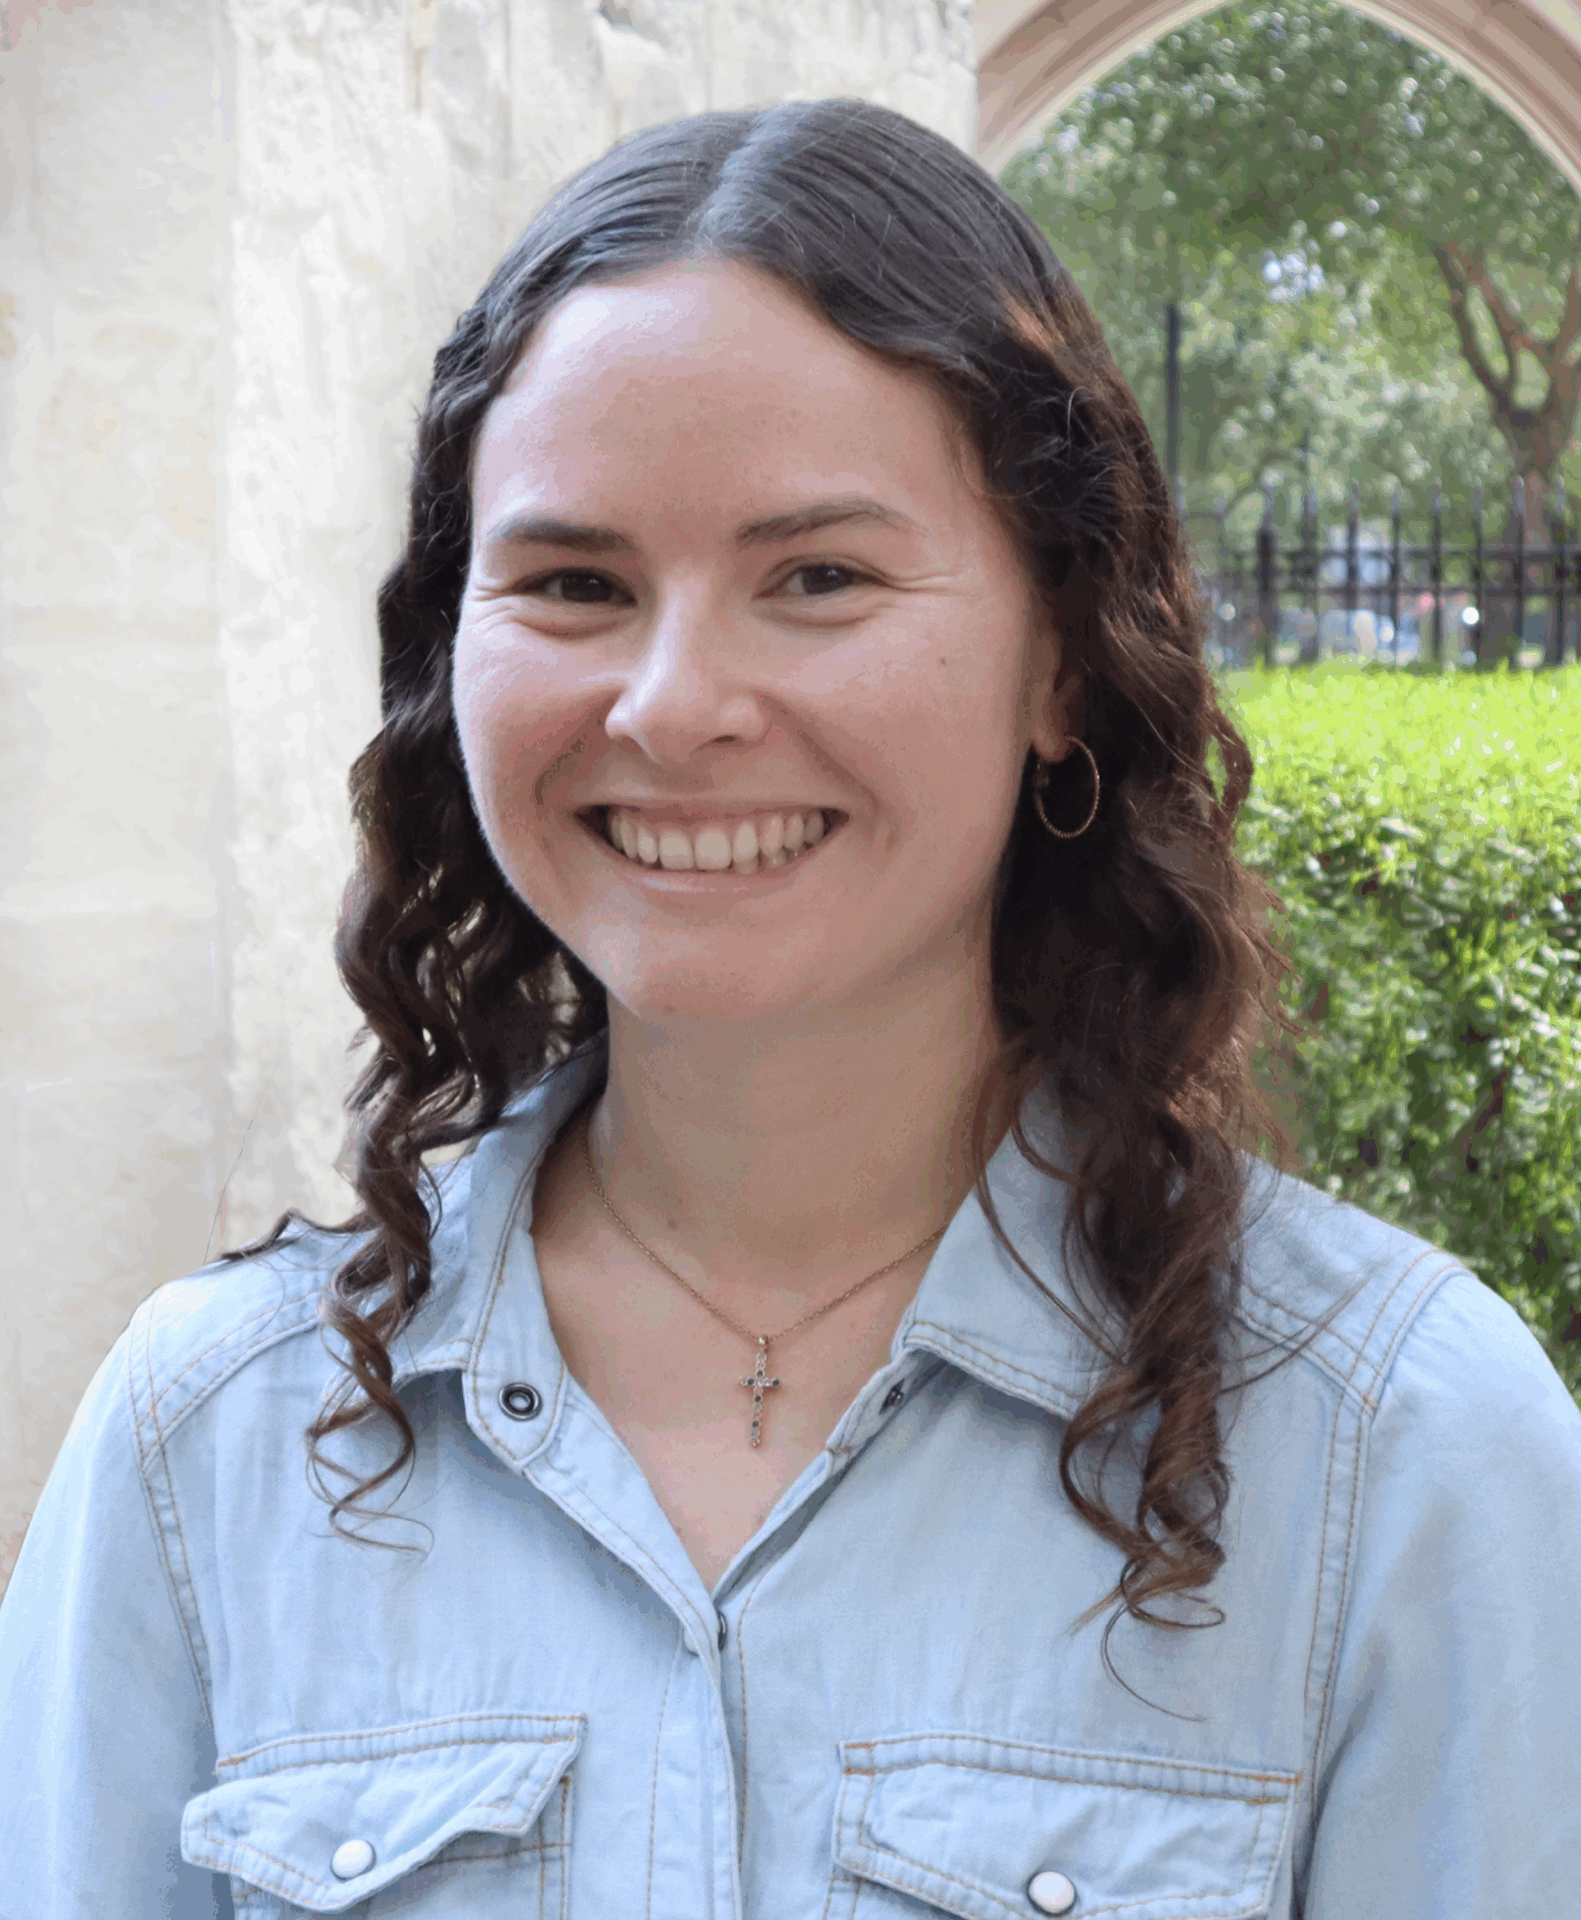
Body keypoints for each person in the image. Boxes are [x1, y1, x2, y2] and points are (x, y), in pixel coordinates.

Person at [1, 98, 1577, 1920]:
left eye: (817, 577)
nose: (674, 706)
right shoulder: (206, 1447)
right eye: (575, 584)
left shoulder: (1394, 1454)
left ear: (1065, 658)